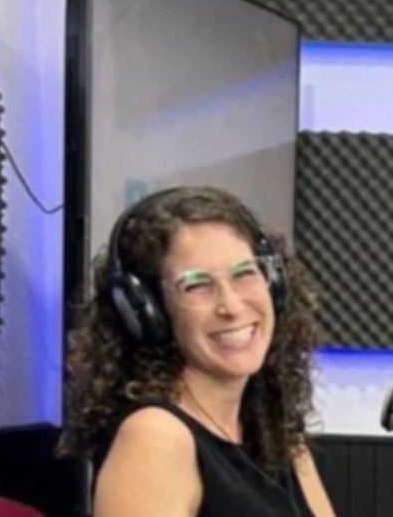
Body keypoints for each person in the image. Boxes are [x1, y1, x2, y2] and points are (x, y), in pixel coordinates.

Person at [56, 186, 336, 517]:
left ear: (274, 283)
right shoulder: (155, 437)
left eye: (245, 274)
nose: (232, 306)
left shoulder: (273, 432)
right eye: (197, 285)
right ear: (150, 312)